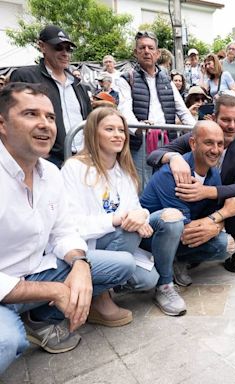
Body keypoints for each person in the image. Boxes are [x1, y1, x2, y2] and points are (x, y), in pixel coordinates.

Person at [0, 83, 135, 373]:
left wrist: (80, 264)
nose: (45, 124)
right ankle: (25, 317)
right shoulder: (73, 169)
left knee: (122, 265)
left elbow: (64, 231)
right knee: (6, 341)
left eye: (50, 117)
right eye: (31, 114)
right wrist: (55, 290)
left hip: (38, 271)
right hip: (7, 287)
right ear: (2, 124)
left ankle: (40, 317)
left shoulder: (49, 172)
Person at [61, 107, 157, 325]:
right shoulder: (74, 168)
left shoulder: (123, 171)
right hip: (85, 248)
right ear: (94, 133)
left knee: (149, 280)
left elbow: (135, 208)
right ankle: (98, 299)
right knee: (130, 234)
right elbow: (70, 225)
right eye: (109, 129)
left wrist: (141, 215)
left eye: (121, 130)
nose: (118, 135)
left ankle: (104, 284)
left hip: (115, 241)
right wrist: (117, 219)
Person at [146, 95, 235, 273]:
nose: (232, 126)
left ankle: (220, 248)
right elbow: (154, 155)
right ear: (214, 118)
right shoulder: (196, 136)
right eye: (226, 119)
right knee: (179, 225)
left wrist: (208, 192)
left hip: (218, 197)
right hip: (186, 199)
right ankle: (183, 256)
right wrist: (174, 157)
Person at [118, 31, 195, 185]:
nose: (147, 51)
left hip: (167, 141)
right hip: (140, 142)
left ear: (157, 53)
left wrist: (199, 130)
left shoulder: (167, 80)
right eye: (142, 48)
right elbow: (124, 110)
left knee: (166, 182)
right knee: (142, 185)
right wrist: (139, 129)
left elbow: (182, 110)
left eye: (150, 48)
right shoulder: (126, 78)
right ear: (135, 52)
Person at [10, 25, 92, 166]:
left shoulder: (78, 84)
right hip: (47, 160)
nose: (65, 53)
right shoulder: (25, 76)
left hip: (82, 159)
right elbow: (12, 118)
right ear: (42, 47)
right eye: (58, 47)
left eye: (68, 48)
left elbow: (88, 120)